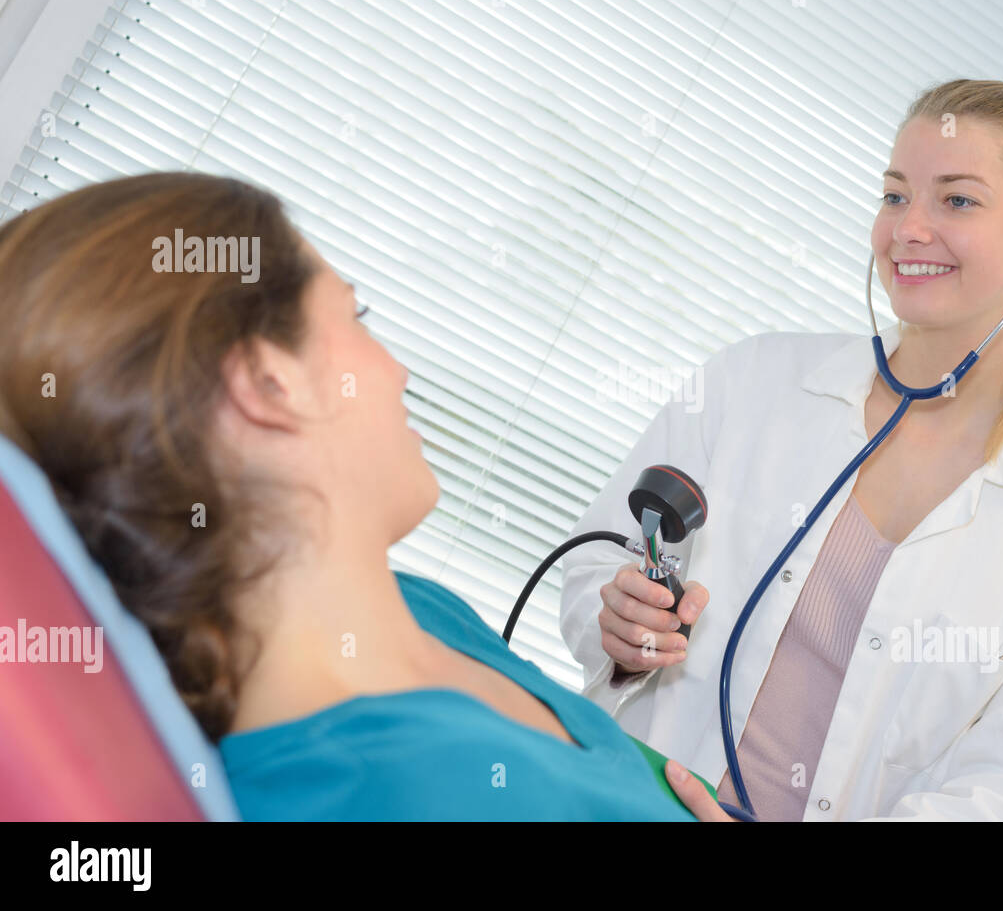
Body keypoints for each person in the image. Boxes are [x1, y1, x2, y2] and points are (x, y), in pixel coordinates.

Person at [0, 171, 722, 820]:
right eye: (356, 317)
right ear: (268, 385)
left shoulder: (420, 608)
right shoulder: (389, 795)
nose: (398, 370)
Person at [559, 79, 1003, 821]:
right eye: (894, 195)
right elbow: (596, 567)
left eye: (957, 200)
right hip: (614, 800)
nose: (909, 228)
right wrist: (618, 624)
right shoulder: (752, 381)